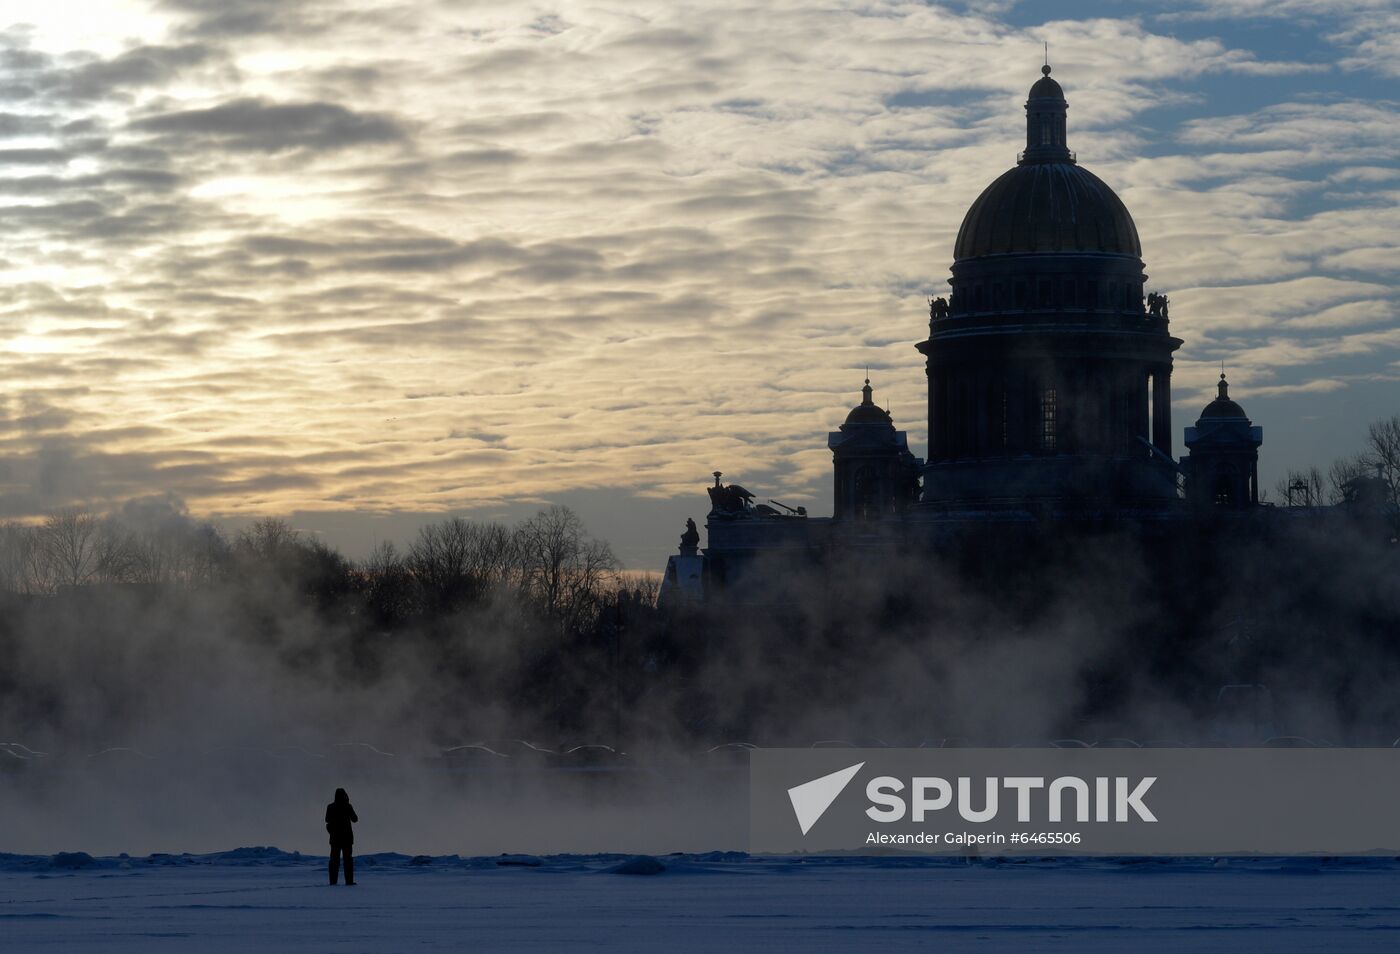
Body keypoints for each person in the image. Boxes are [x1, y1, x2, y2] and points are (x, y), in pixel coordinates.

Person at [325, 787, 359, 885]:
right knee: (347, 860)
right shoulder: (347, 806)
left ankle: (333, 881)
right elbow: (355, 819)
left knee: (334, 860)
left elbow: (327, 819)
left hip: (335, 838)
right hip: (346, 838)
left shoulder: (330, 807)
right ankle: (349, 881)